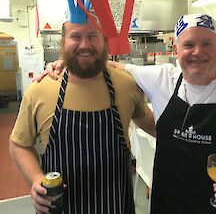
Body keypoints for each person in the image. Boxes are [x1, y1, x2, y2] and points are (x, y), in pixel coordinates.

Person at [38, 13, 216, 214]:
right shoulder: (161, 79)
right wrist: (66, 61)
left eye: (207, 44)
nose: (198, 52)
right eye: (188, 44)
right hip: (168, 205)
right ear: (176, 50)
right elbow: (111, 65)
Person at [9, 16, 155, 214]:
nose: (85, 45)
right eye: (76, 36)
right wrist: (36, 179)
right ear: (63, 42)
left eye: (93, 36)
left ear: (105, 41)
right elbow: (19, 144)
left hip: (116, 205)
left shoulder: (126, 84)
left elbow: (155, 126)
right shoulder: (40, 90)